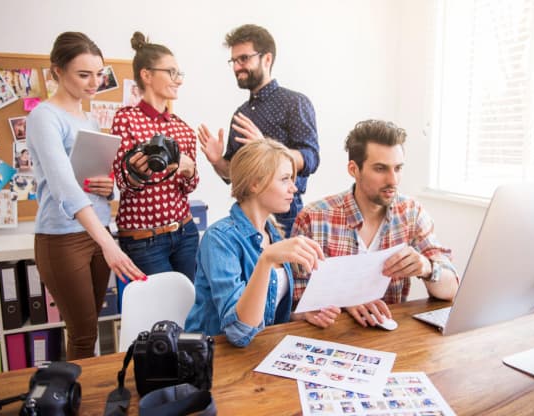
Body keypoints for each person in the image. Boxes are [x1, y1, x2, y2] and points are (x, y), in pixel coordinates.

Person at [26, 32, 145, 360]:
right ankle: (77, 404)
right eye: (83, 75)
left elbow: (90, 179)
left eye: (98, 74)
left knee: (94, 323)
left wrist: (108, 187)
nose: (94, 83)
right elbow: (64, 187)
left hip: (97, 231)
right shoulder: (44, 117)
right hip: (63, 237)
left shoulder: (89, 118)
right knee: (82, 333)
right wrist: (109, 244)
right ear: (57, 73)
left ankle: (85, 395)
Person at [292, 120, 459, 328]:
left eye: (398, 168)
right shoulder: (314, 218)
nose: (393, 180)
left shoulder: (411, 213)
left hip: (392, 338)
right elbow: (294, 305)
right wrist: (345, 304)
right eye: (380, 169)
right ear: (354, 169)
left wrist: (426, 267)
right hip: (330, 338)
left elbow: (451, 289)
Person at [185, 139, 340, 347]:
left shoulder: (273, 233)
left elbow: (264, 315)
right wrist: (266, 260)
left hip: (260, 351)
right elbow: (239, 333)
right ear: (255, 183)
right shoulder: (218, 239)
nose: (294, 188)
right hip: (213, 358)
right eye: (285, 179)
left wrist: (298, 316)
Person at [198, 24, 319, 236]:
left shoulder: (295, 102)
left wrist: (266, 148)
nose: (237, 67)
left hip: (285, 212)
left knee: (284, 270)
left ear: (267, 59)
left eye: (244, 59)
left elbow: (310, 158)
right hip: (246, 214)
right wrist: (217, 160)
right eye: (234, 61)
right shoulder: (240, 113)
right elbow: (233, 175)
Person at [111, 31, 199, 280]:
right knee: (163, 313)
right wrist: (139, 171)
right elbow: (124, 183)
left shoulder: (182, 127)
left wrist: (189, 170)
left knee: (191, 306)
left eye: (179, 74)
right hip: (144, 240)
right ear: (146, 75)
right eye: (171, 72)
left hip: (185, 233)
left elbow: (189, 186)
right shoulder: (125, 119)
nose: (178, 80)